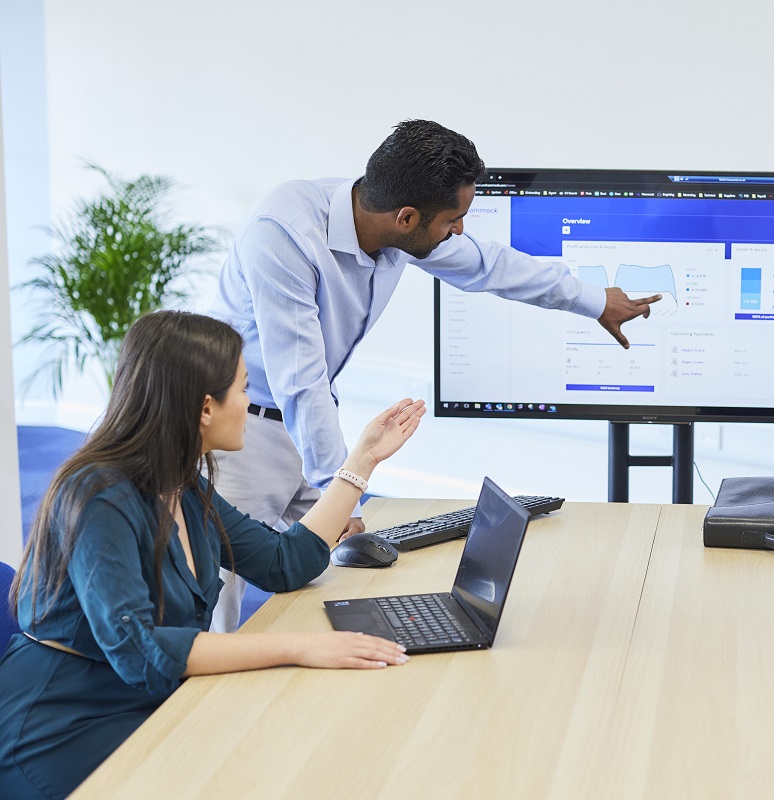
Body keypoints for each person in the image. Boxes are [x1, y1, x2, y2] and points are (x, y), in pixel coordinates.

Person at [207, 119, 660, 632]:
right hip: (236, 431)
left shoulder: (390, 220)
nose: (460, 231)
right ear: (407, 217)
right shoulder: (285, 234)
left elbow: (490, 267)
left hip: (305, 421)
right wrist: (344, 487)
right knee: (216, 606)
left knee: (331, 583)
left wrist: (595, 300)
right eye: (454, 219)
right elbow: (300, 379)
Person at [0, 311, 425, 800]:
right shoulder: (99, 496)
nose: (250, 403)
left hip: (146, 701)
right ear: (206, 407)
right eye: (244, 389)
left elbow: (283, 561)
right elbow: (138, 651)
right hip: (60, 725)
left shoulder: (184, 483)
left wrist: (362, 461)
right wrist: (297, 646)